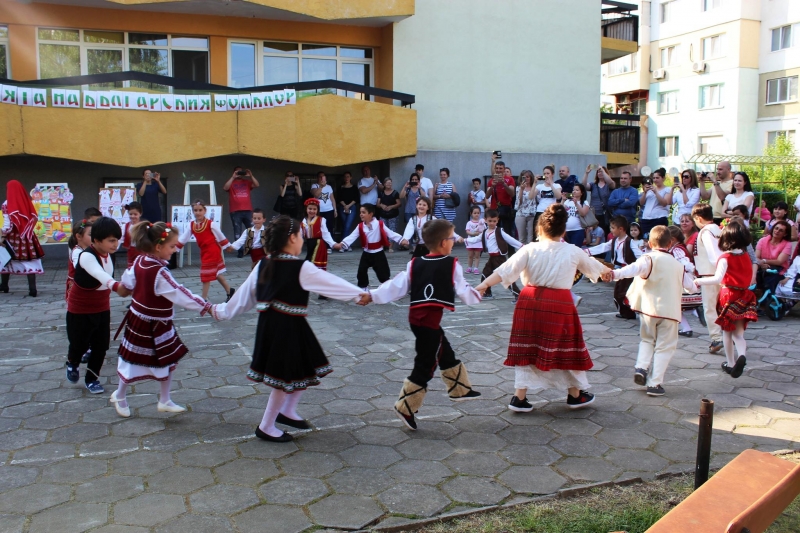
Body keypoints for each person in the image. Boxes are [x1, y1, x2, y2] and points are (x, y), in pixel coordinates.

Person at [212, 216, 367, 442]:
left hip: (279, 325)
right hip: (284, 328)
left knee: (306, 365)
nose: (303, 241)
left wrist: (222, 311)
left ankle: (287, 411)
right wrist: (359, 294)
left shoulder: (264, 263)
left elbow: (243, 298)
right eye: (301, 237)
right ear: (292, 238)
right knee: (282, 377)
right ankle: (266, 426)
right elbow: (330, 283)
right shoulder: (299, 267)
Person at [476, 204, 610, 412]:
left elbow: (504, 271)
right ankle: (574, 394)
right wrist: (622, 273)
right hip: (559, 304)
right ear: (563, 231)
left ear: (539, 229)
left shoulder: (529, 249)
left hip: (529, 303)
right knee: (565, 350)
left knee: (528, 348)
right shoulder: (573, 251)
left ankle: (519, 397)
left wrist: (484, 285)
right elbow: (600, 270)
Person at [365, 219, 483, 430]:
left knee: (444, 350)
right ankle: (405, 406)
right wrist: (478, 293)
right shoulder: (452, 264)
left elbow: (395, 287)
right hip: (428, 323)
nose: (454, 241)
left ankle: (460, 389)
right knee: (426, 365)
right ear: (442, 243)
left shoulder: (414, 263)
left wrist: (372, 295)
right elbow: (465, 292)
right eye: (452, 237)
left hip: (418, 321)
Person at [113, 221, 214, 418]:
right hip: (146, 322)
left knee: (166, 358)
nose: (175, 249)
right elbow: (180, 293)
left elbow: (127, 281)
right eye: (171, 246)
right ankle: (120, 395)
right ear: (158, 247)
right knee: (132, 360)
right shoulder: (159, 272)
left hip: (152, 320)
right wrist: (207, 306)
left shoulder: (140, 261)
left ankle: (164, 399)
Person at [605, 226, 690, 396]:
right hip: (670, 312)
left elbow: (631, 270)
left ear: (650, 243)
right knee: (664, 347)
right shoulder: (678, 265)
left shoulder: (647, 259)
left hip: (648, 309)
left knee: (647, 340)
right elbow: (691, 286)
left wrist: (613, 274)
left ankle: (641, 367)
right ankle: (655, 384)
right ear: (670, 242)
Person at [64, 217, 129, 394]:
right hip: (80, 308)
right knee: (79, 343)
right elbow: (100, 275)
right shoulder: (86, 256)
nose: (116, 244)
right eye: (111, 240)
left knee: (101, 346)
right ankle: (72, 362)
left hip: (101, 307)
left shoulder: (110, 255)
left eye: (117, 240)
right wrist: (117, 287)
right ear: (97, 240)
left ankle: (92, 379)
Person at [695, 221, 758, 378]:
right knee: (738, 334)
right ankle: (741, 355)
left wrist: (698, 281)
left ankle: (730, 363)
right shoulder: (745, 257)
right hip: (745, 296)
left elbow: (717, 279)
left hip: (729, 296)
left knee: (727, 333)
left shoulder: (725, 257)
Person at [334, 204, 408, 289]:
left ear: (370, 214)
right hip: (366, 253)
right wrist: (342, 244)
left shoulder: (379, 224)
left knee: (383, 273)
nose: (361, 214)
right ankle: (363, 288)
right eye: (360, 212)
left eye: (363, 212)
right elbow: (352, 236)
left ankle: (389, 289)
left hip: (378, 253)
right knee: (361, 271)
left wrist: (401, 240)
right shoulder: (360, 226)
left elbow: (390, 233)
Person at [177, 200, 234, 301]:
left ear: (205, 211)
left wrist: (227, 246)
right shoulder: (192, 225)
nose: (198, 212)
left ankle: (204, 298)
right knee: (216, 273)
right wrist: (175, 247)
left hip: (212, 250)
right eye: (195, 210)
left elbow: (220, 235)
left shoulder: (210, 224)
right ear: (192, 211)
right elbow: (184, 237)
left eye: (200, 210)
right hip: (204, 251)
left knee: (205, 273)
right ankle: (230, 291)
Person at [585, 216, 638, 319]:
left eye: (613, 228)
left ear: (621, 229)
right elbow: (603, 247)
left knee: (622, 293)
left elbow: (639, 255)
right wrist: (587, 251)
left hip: (628, 270)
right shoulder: (614, 241)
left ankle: (629, 313)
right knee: (618, 292)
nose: (611, 230)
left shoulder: (630, 242)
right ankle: (626, 312)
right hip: (618, 270)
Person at [465, 209, 523, 299]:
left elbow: (510, 240)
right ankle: (487, 293)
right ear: (485, 220)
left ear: (497, 220)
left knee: (505, 277)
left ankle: (518, 295)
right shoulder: (484, 232)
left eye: (494, 221)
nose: (492, 223)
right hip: (491, 258)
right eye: (490, 221)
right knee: (485, 274)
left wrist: (522, 246)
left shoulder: (499, 231)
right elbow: (475, 239)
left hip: (499, 258)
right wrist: (464, 240)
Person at [1, 180, 45, 297]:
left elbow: (8, 224)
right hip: (27, 236)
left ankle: (4, 285)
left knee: (6, 259)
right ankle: (32, 289)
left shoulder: (7, 203)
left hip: (13, 237)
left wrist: (2, 235)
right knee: (30, 261)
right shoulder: (26, 202)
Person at [692, 203, 724, 354]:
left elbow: (714, 255)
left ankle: (717, 338)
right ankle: (725, 336)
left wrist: (719, 272)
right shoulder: (718, 229)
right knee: (719, 307)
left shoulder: (706, 232)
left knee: (710, 308)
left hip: (712, 275)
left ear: (698, 218)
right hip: (719, 273)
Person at [667, 226, 699, 338]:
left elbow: (686, 264)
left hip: (682, 280)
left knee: (676, 305)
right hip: (681, 279)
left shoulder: (677, 249)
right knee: (677, 306)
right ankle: (687, 327)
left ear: (673, 239)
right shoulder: (675, 248)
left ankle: (697, 313)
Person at [224, 166, 259, 258]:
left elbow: (256, 185)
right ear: (234, 172)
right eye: (237, 171)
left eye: (241, 172)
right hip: (235, 211)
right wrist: (233, 177)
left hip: (247, 210)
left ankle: (250, 249)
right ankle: (240, 251)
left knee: (252, 230)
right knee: (237, 231)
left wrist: (251, 176)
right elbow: (225, 187)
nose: (239, 173)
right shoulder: (232, 182)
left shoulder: (246, 182)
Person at [755, 220, 793, 299]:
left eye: (781, 230)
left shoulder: (787, 244)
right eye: (776, 228)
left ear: (785, 234)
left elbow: (779, 261)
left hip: (778, 268)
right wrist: (762, 264)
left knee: (771, 279)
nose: (777, 231)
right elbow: (756, 257)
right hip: (761, 265)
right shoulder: (763, 240)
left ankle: (766, 304)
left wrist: (764, 261)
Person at [301, 198, 336, 282]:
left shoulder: (321, 220)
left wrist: (333, 244)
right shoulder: (303, 222)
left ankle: (320, 283)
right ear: (306, 209)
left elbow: (326, 234)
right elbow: (300, 235)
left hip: (319, 244)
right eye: (310, 208)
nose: (312, 211)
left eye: (314, 209)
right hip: (309, 244)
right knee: (308, 263)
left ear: (317, 210)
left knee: (314, 265)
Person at [638, 168, 672, 236]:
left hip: (659, 218)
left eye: (657, 178)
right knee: (646, 239)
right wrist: (645, 192)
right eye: (654, 178)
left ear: (663, 178)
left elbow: (664, 203)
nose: (655, 180)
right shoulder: (649, 190)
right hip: (646, 218)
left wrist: (656, 192)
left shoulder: (667, 189)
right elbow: (641, 203)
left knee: (658, 239)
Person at [488, 154, 517, 235]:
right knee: (494, 232)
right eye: (496, 168)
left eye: (500, 168)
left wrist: (504, 184)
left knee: (507, 232)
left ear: (504, 170)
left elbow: (512, 194)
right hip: (494, 209)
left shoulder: (510, 179)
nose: (498, 170)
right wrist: (492, 186)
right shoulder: (492, 180)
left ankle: (509, 248)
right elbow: (487, 196)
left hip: (506, 209)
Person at [582, 165, 615, 233]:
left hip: (605, 214)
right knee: (593, 234)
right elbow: (584, 186)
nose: (600, 173)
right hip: (594, 214)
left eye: (601, 172)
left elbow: (611, 183)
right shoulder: (593, 185)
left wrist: (602, 170)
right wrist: (586, 173)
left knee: (604, 232)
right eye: (598, 172)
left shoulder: (608, 185)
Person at [534, 166, 562, 237]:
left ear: (552, 174)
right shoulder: (540, 186)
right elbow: (530, 196)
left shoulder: (557, 185)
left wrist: (551, 184)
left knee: (551, 233)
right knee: (538, 233)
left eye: (548, 173)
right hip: (540, 211)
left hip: (551, 211)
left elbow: (558, 196)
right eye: (544, 173)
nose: (546, 175)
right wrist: (534, 183)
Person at [310, 171, 337, 237]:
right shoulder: (314, 185)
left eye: (323, 177)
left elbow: (332, 199)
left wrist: (335, 210)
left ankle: (329, 245)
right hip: (319, 210)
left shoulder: (329, 187)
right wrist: (321, 187)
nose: (322, 178)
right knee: (318, 227)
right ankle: (320, 245)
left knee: (329, 227)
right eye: (320, 177)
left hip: (329, 210)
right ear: (317, 178)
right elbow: (316, 195)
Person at [377, 178, 402, 247]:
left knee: (392, 231)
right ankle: (383, 246)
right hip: (383, 214)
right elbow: (377, 204)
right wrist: (382, 205)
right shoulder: (381, 193)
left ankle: (390, 247)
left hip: (393, 215)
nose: (389, 184)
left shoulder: (395, 193)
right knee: (383, 230)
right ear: (384, 184)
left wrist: (391, 207)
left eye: (390, 183)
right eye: (387, 183)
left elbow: (399, 204)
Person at [118, 202, 143, 268]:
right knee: (131, 267)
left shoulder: (144, 226)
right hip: (131, 251)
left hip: (142, 251)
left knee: (141, 267)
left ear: (140, 214)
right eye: (130, 214)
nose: (132, 216)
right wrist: (114, 248)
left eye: (135, 214)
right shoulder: (125, 226)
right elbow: (119, 238)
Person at [337, 171, 359, 245]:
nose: (346, 178)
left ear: (351, 177)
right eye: (345, 176)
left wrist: (348, 206)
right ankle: (347, 245)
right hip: (342, 207)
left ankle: (343, 245)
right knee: (344, 226)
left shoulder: (354, 187)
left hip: (352, 207)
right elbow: (338, 198)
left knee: (347, 226)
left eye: (348, 176)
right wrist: (345, 206)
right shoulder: (340, 187)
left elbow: (356, 199)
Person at [515, 170, 537, 245]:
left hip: (532, 214)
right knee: (521, 238)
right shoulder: (518, 188)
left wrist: (534, 184)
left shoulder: (535, 188)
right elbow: (519, 202)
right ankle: (522, 254)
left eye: (528, 177)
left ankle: (530, 255)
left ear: (531, 178)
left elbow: (537, 200)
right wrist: (521, 189)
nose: (526, 179)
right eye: (524, 177)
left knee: (530, 238)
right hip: (521, 214)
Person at [465, 206, 487, 274]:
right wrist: (473, 233)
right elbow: (467, 231)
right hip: (470, 242)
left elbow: (485, 230)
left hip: (478, 242)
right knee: (470, 255)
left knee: (477, 256)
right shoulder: (469, 223)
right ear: (471, 213)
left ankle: (476, 268)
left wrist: (480, 233)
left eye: (478, 213)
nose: (476, 214)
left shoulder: (482, 223)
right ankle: (469, 267)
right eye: (475, 213)